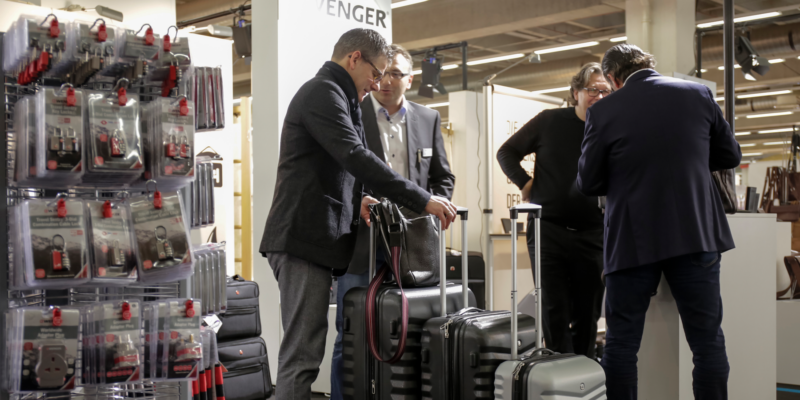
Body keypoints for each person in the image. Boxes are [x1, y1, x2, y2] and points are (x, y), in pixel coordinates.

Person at [259, 29, 457, 400]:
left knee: (307, 351)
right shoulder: (323, 93)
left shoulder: (338, 94)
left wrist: (358, 199)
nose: (378, 83)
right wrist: (422, 199)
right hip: (302, 241)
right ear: (354, 59)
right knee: (302, 356)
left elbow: (329, 168)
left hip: (312, 242)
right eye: (376, 72)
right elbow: (354, 156)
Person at [577, 44, 741, 399]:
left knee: (621, 345)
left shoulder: (603, 111)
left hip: (632, 239)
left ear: (613, 78)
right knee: (707, 342)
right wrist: (690, 163)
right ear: (648, 64)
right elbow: (730, 155)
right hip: (696, 233)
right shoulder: (698, 94)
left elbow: (588, 182)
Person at [328, 44, 455, 400]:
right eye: (382, 74)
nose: (386, 81)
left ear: (410, 79)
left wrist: (433, 207)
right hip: (362, 242)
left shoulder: (428, 119)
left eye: (396, 74)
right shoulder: (352, 112)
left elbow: (442, 176)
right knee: (350, 333)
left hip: (414, 245)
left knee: (409, 331)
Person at [496, 63, 609, 358]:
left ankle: (583, 371)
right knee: (553, 310)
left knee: (588, 313)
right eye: (592, 90)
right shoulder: (549, 121)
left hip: (593, 233)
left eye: (605, 91)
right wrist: (525, 183)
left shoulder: (610, 130)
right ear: (576, 92)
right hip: (548, 230)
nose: (599, 96)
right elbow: (506, 152)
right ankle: (558, 370)